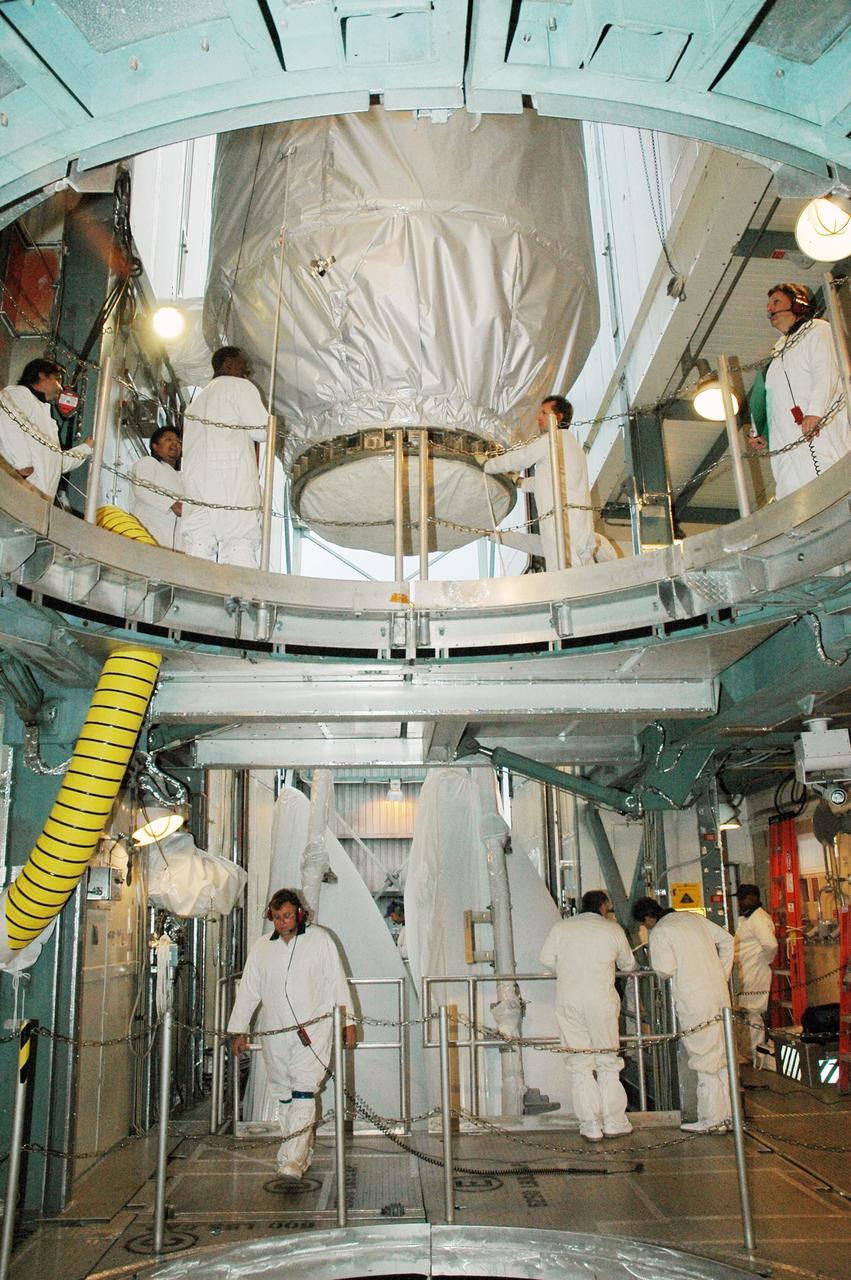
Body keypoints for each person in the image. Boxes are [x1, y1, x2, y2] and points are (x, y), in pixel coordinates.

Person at [228, 888, 356, 1181]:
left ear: (299, 914)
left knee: (303, 1090)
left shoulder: (321, 940)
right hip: (274, 1033)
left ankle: (292, 1161)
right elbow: (248, 992)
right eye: (276, 917)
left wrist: (348, 1022)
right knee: (283, 1093)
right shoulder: (262, 948)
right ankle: (299, 1152)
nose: (282, 922)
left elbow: (336, 983)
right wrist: (238, 1031)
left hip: (312, 1032)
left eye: (286, 915)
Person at [539, 889, 636, 1141]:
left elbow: (546, 959)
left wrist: (569, 969)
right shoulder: (612, 929)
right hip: (601, 1001)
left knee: (580, 1063)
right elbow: (628, 964)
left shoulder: (562, 927)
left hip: (569, 1000)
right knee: (607, 1061)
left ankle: (590, 1124)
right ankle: (614, 1121)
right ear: (603, 906)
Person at [631, 897, 734, 1133]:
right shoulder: (693, 919)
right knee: (721, 1056)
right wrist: (722, 974)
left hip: (694, 999)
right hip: (719, 993)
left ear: (648, 918)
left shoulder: (661, 931)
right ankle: (729, 1115)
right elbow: (727, 940)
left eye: (644, 924)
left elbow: (665, 969)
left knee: (704, 1058)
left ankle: (712, 1119)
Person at [483, 396, 613, 571]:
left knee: (565, 573)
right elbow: (551, 482)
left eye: (544, 413)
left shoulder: (553, 440)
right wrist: (520, 483)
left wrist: (487, 466)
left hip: (563, 528)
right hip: (576, 531)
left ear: (557, 418)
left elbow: (521, 458)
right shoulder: (572, 448)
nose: (538, 417)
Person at [758, 283, 851, 500]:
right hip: (787, 443)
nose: (770, 309)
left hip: (818, 427)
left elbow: (825, 371)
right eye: (769, 305)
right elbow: (772, 399)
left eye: (776, 302)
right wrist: (762, 432)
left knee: (828, 473)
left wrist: (815, 412)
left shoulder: (818, 329)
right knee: (792, 488)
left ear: (798, 305)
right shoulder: (777, 352)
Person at [181, 346, 268, 566]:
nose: (248, 370)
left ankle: (193, 583)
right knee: (239, 539)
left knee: (200, 541)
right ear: (229, 364)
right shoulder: (239, 386)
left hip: (195, 477)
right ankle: (242, 586)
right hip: (230, 472)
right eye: (243, 364)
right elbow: (261, 431)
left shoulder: (196, 401)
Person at [0, 357, 92, 501]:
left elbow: (57, 462)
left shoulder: (45, 414)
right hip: (19, 493)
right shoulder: (17, 394)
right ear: (42, 375)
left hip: (39, 502)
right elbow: (8, 426)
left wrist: (87, 447)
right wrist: (24, 468)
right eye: (57, 379)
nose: (61, 388)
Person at [734, 883, 777, 1065]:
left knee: (753, 1013)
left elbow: (771, 945)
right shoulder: (746, 919)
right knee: (746, 1012)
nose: (739, 903)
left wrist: (764, 961)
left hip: (756, 972)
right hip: (746, 972)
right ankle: (749, 1052)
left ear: (752, 898)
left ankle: (755, 1054)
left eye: (742, 899)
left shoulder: (759, 918)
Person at [128, 426, 184, 549]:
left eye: (178, 442)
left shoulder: (181, 476)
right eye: (168, 439)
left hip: (176, 547)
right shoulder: (148, 462)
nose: (175, 444)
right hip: (147, 538)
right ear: (155, 446)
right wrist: (172, 504)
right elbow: (142, 489)